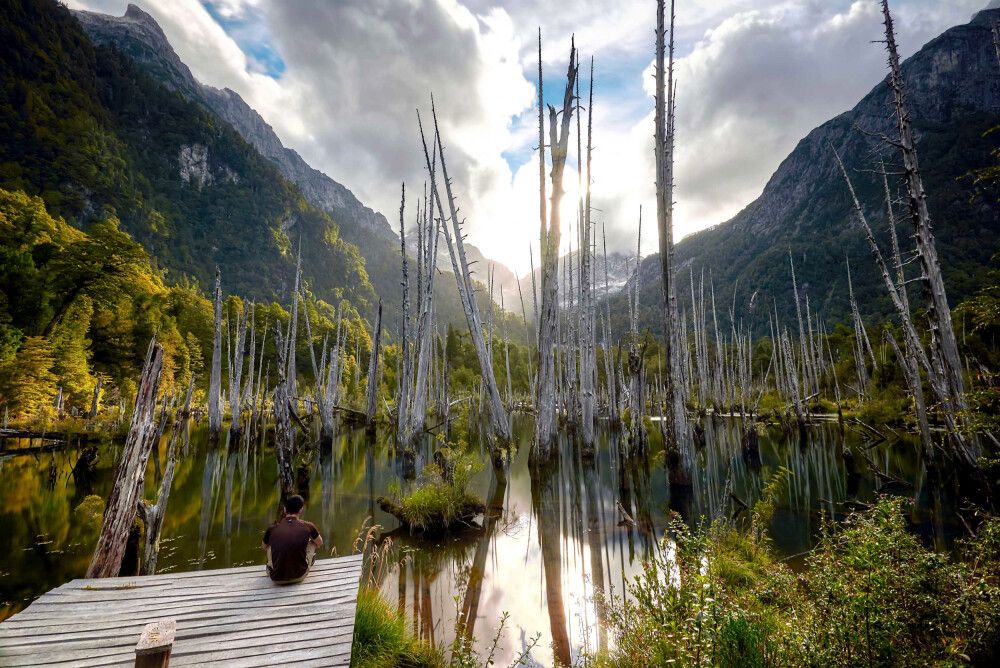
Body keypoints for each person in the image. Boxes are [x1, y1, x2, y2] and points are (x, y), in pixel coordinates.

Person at [262, 495, 323, 584]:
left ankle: (272, 565)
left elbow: (264, 547)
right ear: (301, 510)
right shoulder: (308, 526)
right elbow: (320, 542)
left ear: (285, 509)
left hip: (276, 579)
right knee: (313, 543)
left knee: (269, 545)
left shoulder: (272, 529)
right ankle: (306, 561)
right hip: (299, 576)